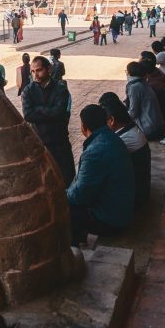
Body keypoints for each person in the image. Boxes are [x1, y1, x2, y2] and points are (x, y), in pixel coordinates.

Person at [66, 104, 135, 244]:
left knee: (65, 206)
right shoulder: (113, 138)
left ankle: (74, 246)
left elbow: (80, 195)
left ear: (83, 127)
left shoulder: (94, 152)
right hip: (122, 211)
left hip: (110, 221)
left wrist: (63, 194)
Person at [21, 56, 75, 184]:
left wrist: (38, 109)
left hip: (60, 143)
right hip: (41, 144)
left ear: (48, 69)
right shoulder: (28, 91)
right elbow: (28, 115)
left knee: (67, 180)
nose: (36, 75)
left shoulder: (60, 88)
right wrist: (50, 111)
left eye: (39, 70)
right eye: (33, 71)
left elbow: (60, 112)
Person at [99, 92, 151, 208]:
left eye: (104, 121)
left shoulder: (121, 140)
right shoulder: (131, 127)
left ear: (112, 120)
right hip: (141, 189)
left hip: (134, 197)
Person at [124, 61, 165, 140]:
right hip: (158, 127)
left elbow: (133, 113)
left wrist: (121, 119)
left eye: (126, 71)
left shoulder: (134, 87)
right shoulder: (142, 82)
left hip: (149, 131)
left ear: (129, 73)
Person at [139, 51, 165, 127]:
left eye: (139, 61)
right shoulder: (156, 71)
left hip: (164, 121)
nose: (138, 64)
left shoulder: (153, 83)